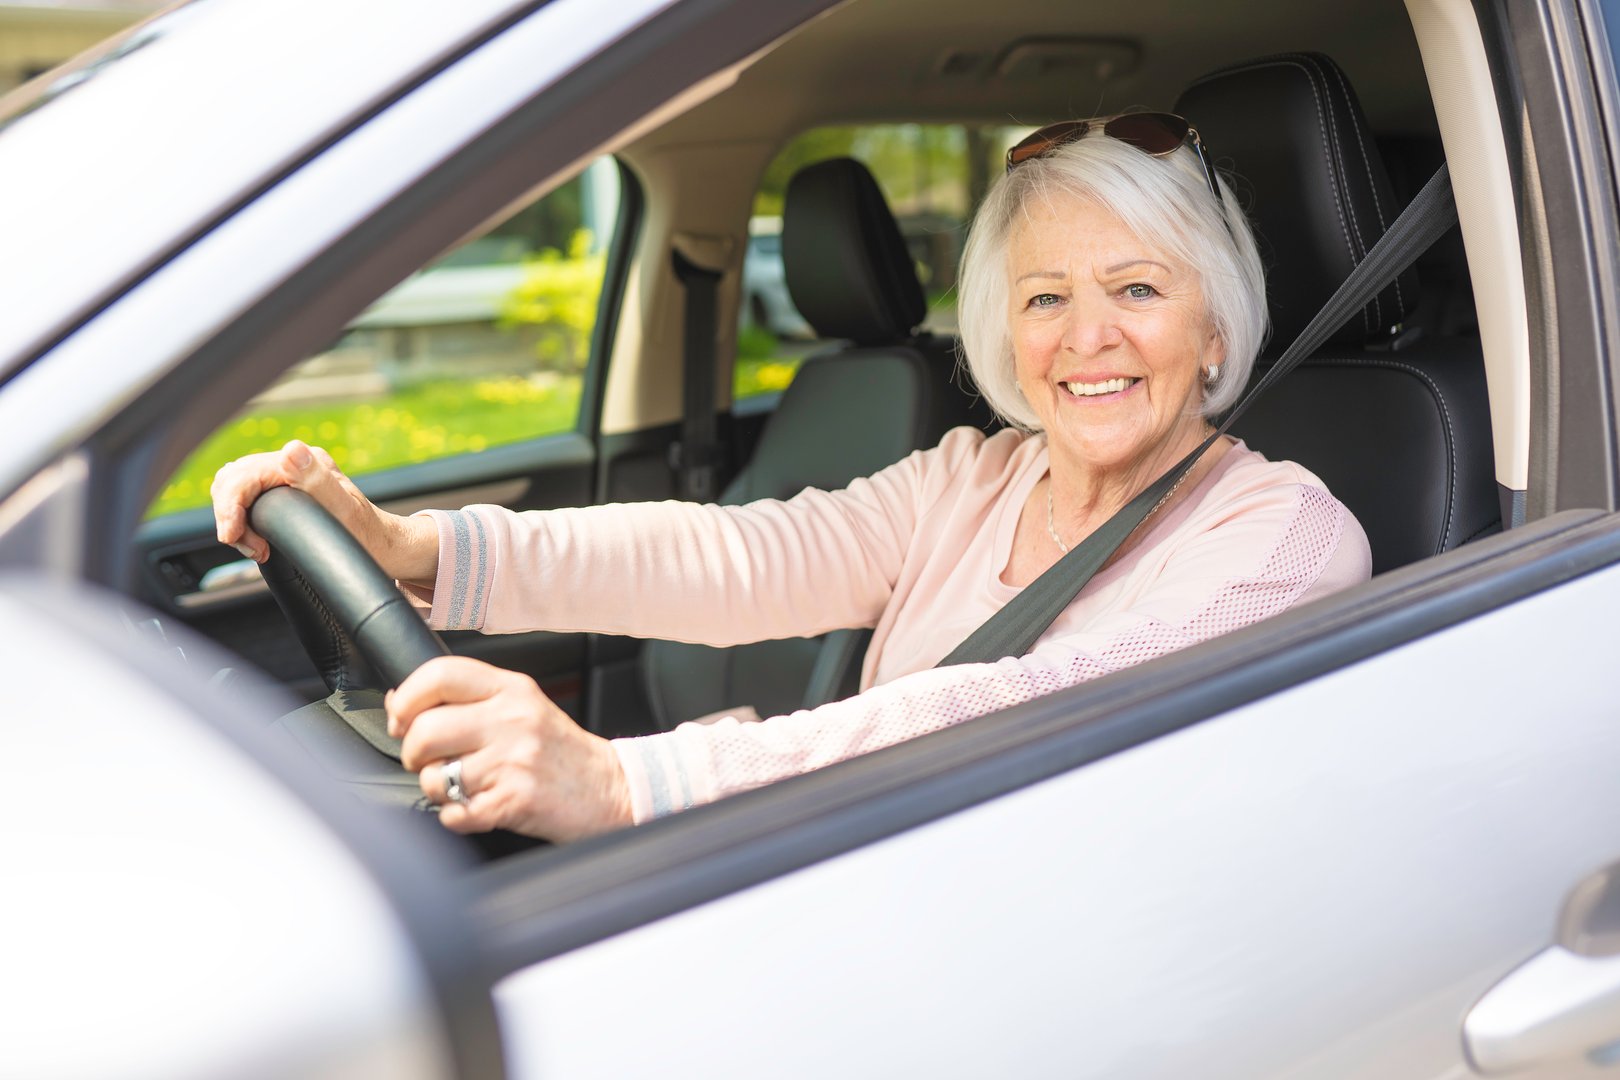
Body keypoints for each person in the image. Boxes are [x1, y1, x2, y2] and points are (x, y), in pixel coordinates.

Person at [212, 114, 1371, 842]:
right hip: (878, 876)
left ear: (1216, 332)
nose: (1088, 338)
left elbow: (1027, 708)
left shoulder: (1284, 537)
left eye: (1138, 289)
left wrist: (625, 783)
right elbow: (738, 555)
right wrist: (424, 553)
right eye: (1045, 298)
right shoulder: (975, 476)